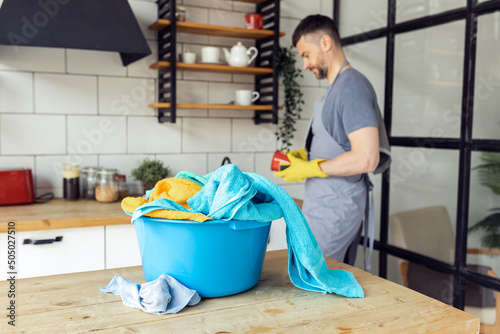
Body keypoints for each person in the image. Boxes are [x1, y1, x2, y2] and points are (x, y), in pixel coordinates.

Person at [274, 14, 388, 268]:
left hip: (337, 211)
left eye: (305, 55)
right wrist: (305, 156)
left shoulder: (352, 88)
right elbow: (340, 143)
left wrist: (312, 168)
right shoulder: (337, 88)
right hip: (323, 208)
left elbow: (367, 158)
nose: (304, 65)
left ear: (326, 43)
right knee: (315, 282)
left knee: (310, 279)